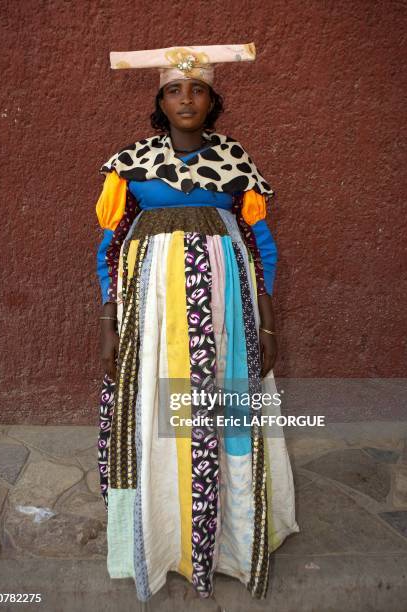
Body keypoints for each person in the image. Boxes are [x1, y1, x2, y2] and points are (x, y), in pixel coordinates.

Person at [95, 43, 299, 603]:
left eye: (198, 89)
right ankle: (160, 539)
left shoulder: (236, 163)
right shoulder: (131, 163)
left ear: (213, 100)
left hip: (225, 325)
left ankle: (225, 539)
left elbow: (260, 246)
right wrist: (110, 320)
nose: (187, 98)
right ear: (160, 100)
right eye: (174, 90)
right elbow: (110, 246)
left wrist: (269, 319)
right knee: (155, 419)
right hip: (153, 323)